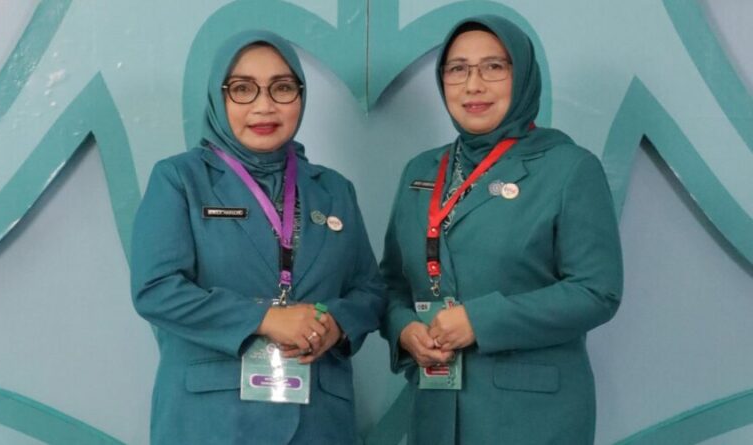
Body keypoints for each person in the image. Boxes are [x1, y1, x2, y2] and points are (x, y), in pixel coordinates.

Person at [131, 30, 385, 445]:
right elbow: (156, 289)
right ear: (219, 96)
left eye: (281, 88)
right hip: (212, 422)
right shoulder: (181, 179)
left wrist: (336, 324)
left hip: (319, 422)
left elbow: (370, 290)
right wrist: (265, 319)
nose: (264, 106)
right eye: (243, 89)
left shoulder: (334, 189)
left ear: (300, 95)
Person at [380, 15, 623, 445]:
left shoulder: (568, 168)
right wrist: (403, 329)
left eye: (493, 67)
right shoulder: (421, 171)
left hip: (531, 419)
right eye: (458, 69)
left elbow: (596, 291)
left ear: (523, 75)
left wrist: (479, 320)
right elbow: (392, 284)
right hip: (435, 409)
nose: (473, 85)